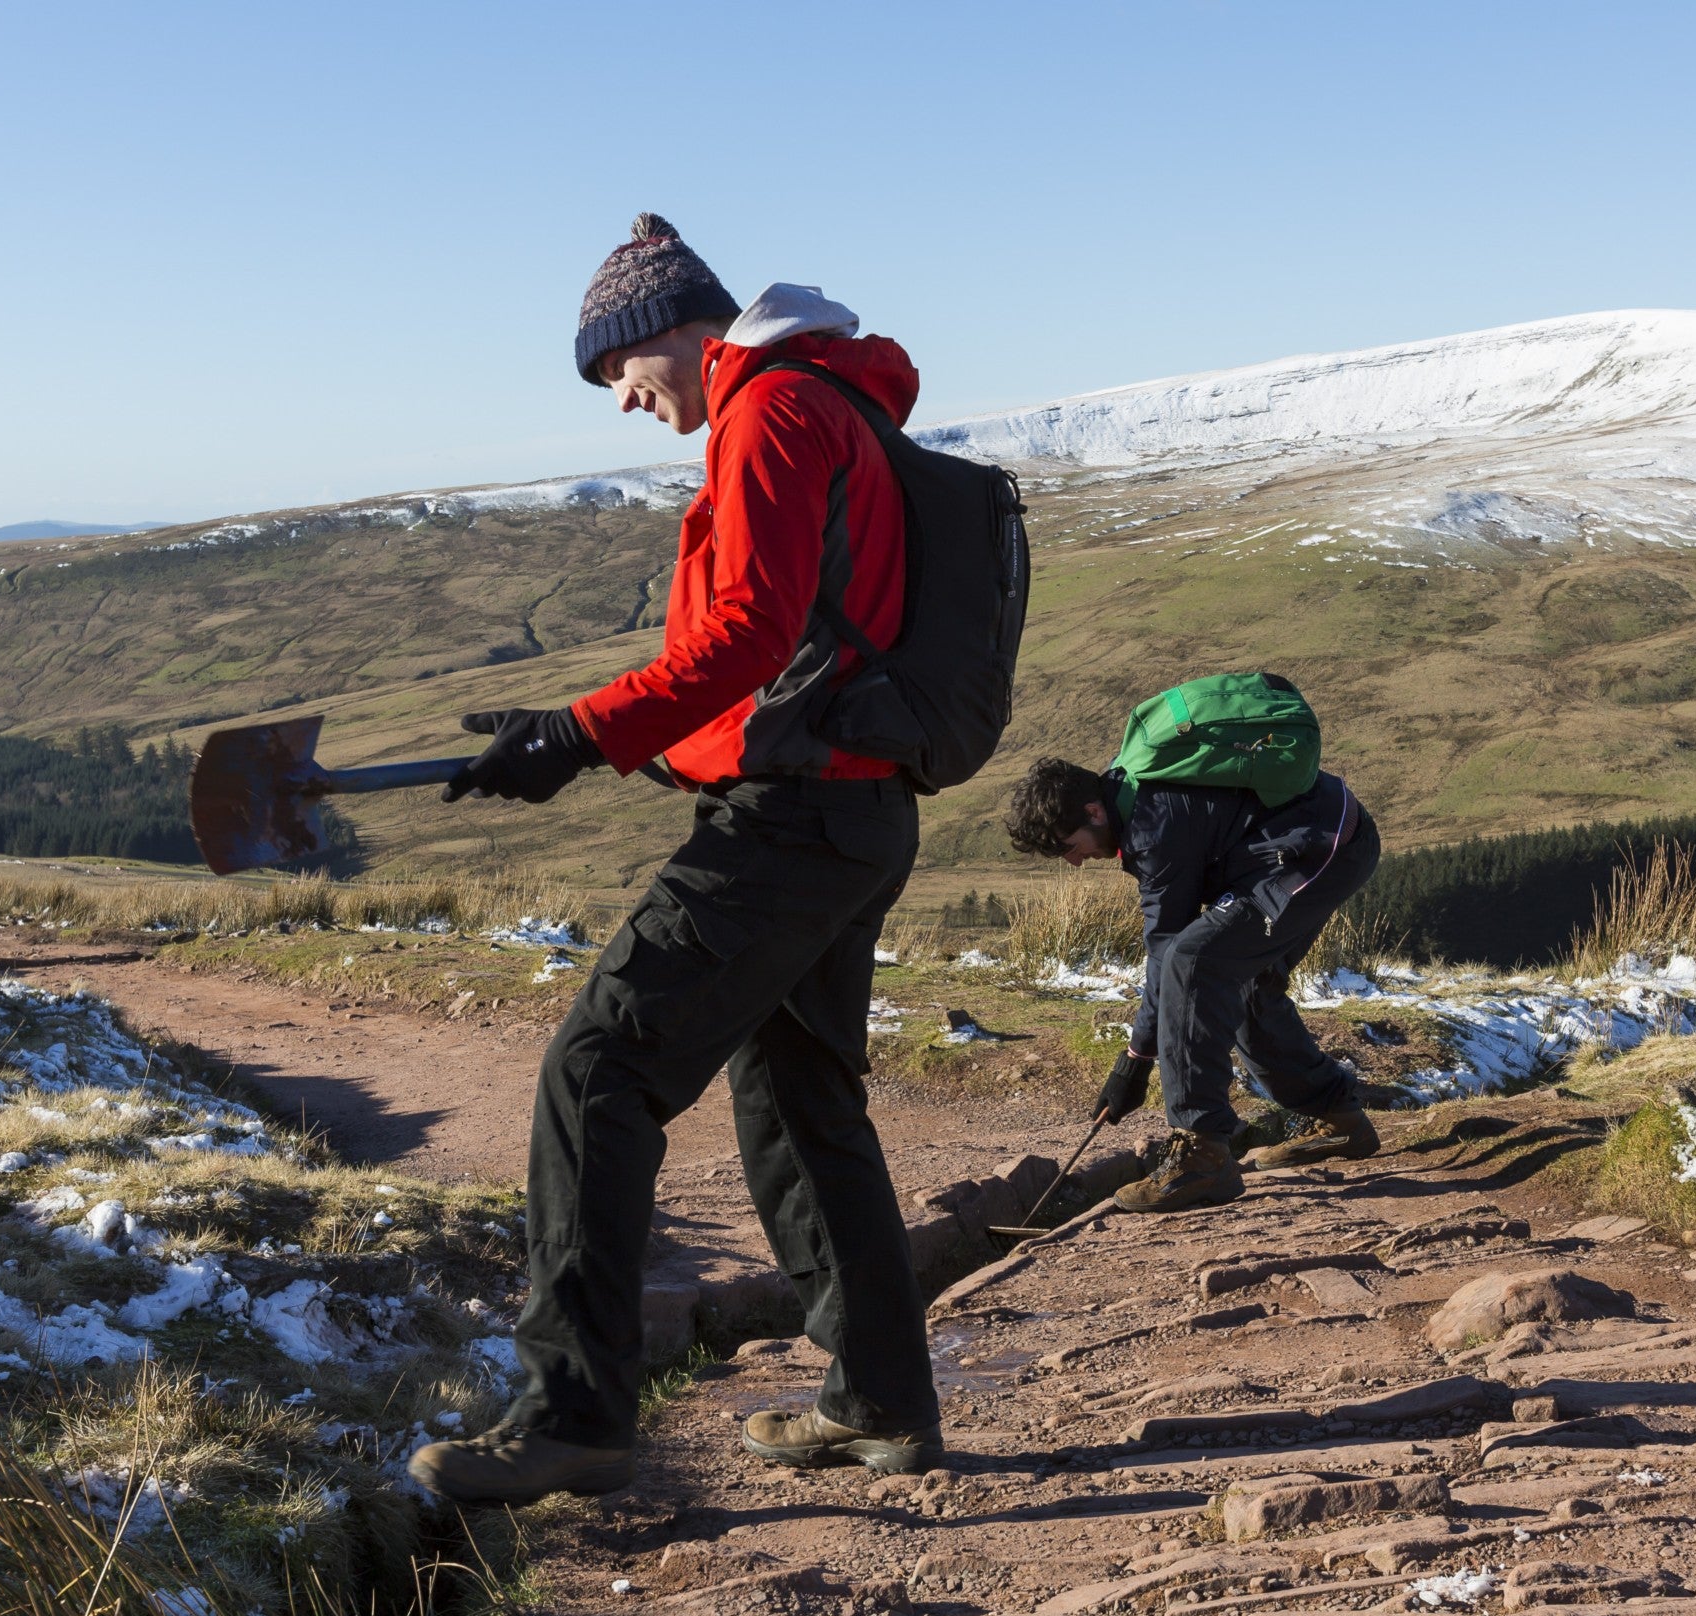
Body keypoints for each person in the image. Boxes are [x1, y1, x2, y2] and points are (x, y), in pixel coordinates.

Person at [407, 215, 942, 1505]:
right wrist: (593, 741)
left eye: (622, 377)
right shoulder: (829, 400)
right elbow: (794, 644)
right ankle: (879, 1402)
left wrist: (586, 731)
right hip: (851, 812)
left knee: (597, 1072)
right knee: (799, 1099)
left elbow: (754, 629)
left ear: (680, 334)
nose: (628, 406)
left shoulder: (769, 409)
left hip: (795, 825)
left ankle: (572, 1413)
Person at [1000, 733, 1384, 1212]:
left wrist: (1134, 1064)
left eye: (1067, 847)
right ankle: (1341, 1121)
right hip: (1324, 836)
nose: (1074, 862)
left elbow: (1166, 954)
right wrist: (1136, 1060)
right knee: (1240, 979)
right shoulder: (1133, 798)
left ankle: (1202, 1157)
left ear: (1094, 812)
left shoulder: (1153, 826)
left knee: (1194, 961)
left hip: (1319, 849)